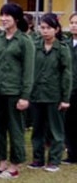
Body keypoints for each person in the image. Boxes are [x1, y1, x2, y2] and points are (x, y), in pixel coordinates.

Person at [0, 2, 34, 179]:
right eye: (2, 15)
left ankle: (14, 166)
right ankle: (1, 163)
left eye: (8, 16)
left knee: (15, 129)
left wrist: (25, 96)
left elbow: (28, 71)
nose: (4, 19)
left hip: (14, 92)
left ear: (17, 19)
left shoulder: (24, 41)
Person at [29, 14, 71, 172]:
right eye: (43, 28)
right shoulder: (35, 46)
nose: (45, 31)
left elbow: (66, 74)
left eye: (49, 28)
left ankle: (54, 160)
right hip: (37, 94)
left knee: (56, 130)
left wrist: (65, 98)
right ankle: (37, 159)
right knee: (37, 129)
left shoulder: (62, 49)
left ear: (57, 29)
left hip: (54, 95)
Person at [66, 13, 77, 164]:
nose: (74, 25)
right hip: (69, 89)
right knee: (70, 123)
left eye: (76, 23)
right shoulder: (65, 44)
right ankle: (72, 154)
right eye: (72, 22)